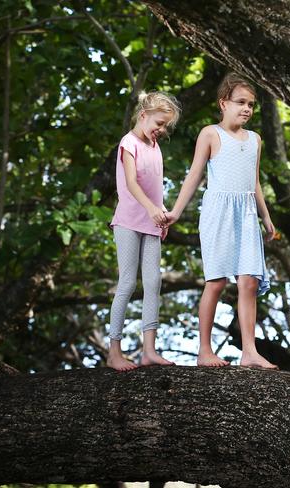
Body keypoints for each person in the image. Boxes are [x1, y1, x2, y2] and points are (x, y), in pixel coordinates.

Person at [165, 73, 278, 369]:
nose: (247, 109)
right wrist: (175, 212)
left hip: (247, 214)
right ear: (223, 103)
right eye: (241, 102)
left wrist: (265, 216)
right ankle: (204, 350)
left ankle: (249, 352)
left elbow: (254, 182)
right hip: (219, 212)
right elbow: (194, 176)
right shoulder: (210, 134)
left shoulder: (255, 140)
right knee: (216, 282)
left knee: (249, 281)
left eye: (251, 104)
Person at [106, 91, 181, 372]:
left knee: (153, 283)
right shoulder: (129, 143)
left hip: (151, 223)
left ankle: (149, 350)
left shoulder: (154, 146)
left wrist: (160, 214)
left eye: (165, 127)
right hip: (128, 220)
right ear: (143, 115)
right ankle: (115, 351)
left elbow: (156, 186)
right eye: (159, 123)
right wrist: (151, 208)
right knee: (127, 282)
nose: (161, 130)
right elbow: (131, 182)